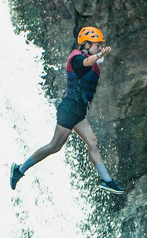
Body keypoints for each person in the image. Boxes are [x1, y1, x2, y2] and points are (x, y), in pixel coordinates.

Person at [10, 26, 125, 194]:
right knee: (54, 146)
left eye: (100, 46)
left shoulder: (88, 58)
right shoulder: (76, 58)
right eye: (96, 45)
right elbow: (85, 63)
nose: (99, 48)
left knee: (92, 142)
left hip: (78, 111)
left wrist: (98, 56)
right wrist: (99, 55)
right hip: (69, 110)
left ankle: (106, 181)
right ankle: (19, 170)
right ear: (86, 44)